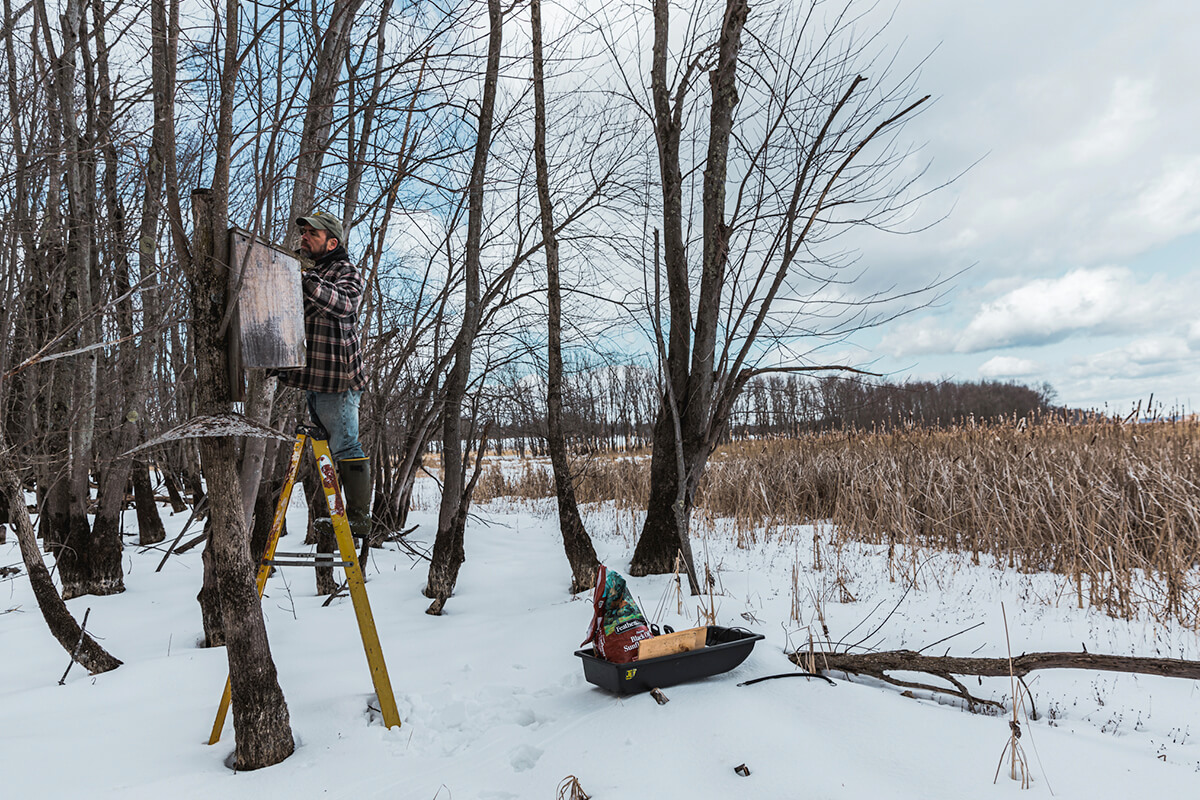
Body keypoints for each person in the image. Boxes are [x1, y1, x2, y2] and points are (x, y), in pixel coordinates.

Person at [276, 210, 371, 540]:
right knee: (332, 447)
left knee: (345, 444)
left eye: (311, 235)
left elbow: (344, 303)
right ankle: (343, 516)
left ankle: (359, 519)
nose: (304, 237)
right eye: (303, 233)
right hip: (315, 378)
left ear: (331, 242)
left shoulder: (345, 271)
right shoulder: (313, 271)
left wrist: (304, 279)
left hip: (338, 379)